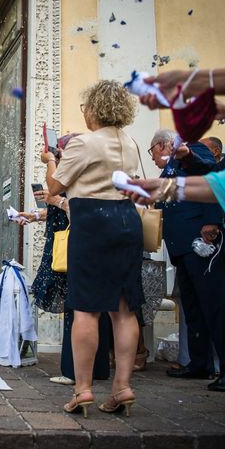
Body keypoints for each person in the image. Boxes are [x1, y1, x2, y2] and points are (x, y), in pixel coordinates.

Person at [46, 80, 144, 417]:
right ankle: (122, 386)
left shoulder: (84, 143)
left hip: (92, 220)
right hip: (127, 220)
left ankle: (82, 390)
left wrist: (50, 161)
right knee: (124, 308)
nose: (84, 113)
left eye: (85, 107)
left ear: (95, 109)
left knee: (86, 308)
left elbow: (55, 187)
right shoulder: (130, 143)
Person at [149, 129, 225, 391]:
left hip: (202, 241)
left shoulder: (194, 151)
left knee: (217, 306)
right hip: (181, 245)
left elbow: (211, 176)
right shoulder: (169, 169)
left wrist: (211, 220)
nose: (153, 158)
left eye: (152, 152)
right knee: (194, 308)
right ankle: (199, 362)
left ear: (162, 145)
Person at [17, 151, 110, 386]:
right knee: (95, 308)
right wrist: (35, 215)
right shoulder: (91, 179)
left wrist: (51, 177)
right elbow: (61, 209)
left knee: (76, 309)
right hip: (95, 249)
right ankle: (98, 368)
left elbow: (71, 206)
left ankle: (72, 371)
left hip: (78, 249)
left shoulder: (76, 180)